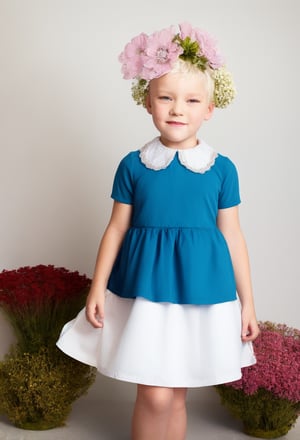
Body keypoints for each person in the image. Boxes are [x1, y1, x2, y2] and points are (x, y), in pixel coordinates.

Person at [57, 22, 260, 440]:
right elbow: (115, 229)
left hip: (201, 293)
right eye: (165, 98)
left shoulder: (222, 169)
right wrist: (97, 289)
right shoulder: (134, 165)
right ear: (147, 102)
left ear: (209, 108)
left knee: (177, 397)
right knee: (154, 396)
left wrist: (248, 304)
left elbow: (233, 237)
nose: (177, 109)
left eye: (190, 100)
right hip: (144, 292)